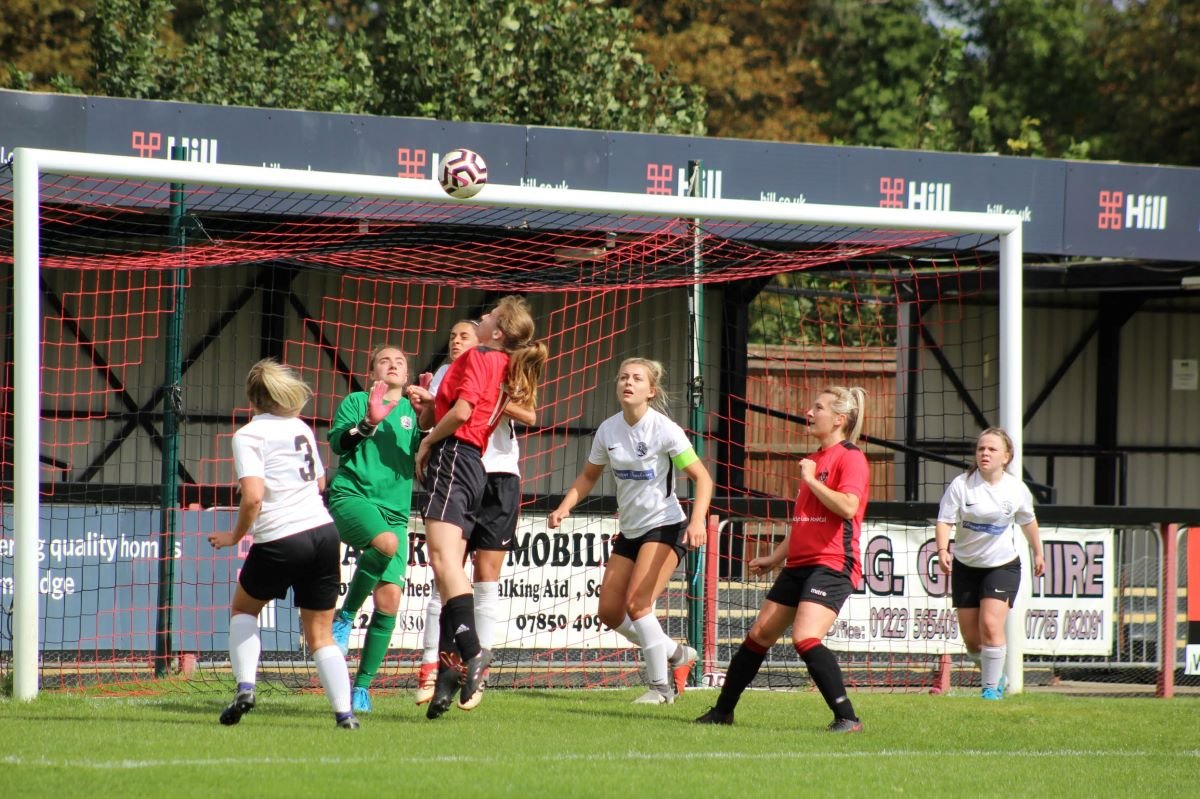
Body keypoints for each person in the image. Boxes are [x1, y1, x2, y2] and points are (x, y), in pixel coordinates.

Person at [405, 295, 548, 718]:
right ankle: (451, 670)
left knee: (445, 561)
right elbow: (457, 409)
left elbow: (466, 411)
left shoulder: (483, 357)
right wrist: (429, 410)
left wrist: (428, 441)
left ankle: (470, 652)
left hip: (455, 456)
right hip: (470, 462)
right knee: (448, 566)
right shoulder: (497, 362)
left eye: (485, 318)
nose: (477, 320)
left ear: (497, 331)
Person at [696, 386, 869, 732]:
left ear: (839, 419)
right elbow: (803, 520)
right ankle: (723, 712)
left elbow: (848, 507)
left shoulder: (850, 457)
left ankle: (847, 717)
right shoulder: (815, 459)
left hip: (833, 563)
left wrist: (810, 479)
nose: (809, 412)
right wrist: (776, 557)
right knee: (759, 634)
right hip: (799, 565)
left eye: (817, 407)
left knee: (804, 637)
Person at [549, 358, 709, 705]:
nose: (628, 382)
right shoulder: (608, 430)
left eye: (637, 378)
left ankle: (660, 688)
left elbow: (702, 478)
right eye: (623, 377)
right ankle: (678, 655)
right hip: (631, 532)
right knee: (609, 613)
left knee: (639, 605)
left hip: (666, 526)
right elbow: (589, 475)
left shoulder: (665, 430)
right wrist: (565, 507)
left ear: (651, 391)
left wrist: (697, 521)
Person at [208, 358, 358, 729]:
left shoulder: (247, 435)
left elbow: (254, 497)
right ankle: (345, 715)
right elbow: (320, 484)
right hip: (323, 534)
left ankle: (246, 687)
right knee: (320, 633)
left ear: (252, 399)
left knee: (244, 610)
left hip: (281, 537)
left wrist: (235, 536)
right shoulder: (301, 428)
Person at [326, 345, 421, 714]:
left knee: (390, 600)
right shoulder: (357, 400)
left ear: (408, 375)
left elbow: (428, 450)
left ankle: (361, 688)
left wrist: (430, 413)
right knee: (384, 542)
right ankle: (346, 616)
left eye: (400, 361)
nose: (393, 364)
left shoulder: (415, 411)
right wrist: (368, 422)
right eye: (385, 360)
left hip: (395, 512)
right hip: (352, 497)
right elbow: (338, 443)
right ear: (372, 373)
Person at [934, 426, 1044, 700]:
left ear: (1006, 457)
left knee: (991, 625)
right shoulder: (961, 485)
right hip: (966, 566)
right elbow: (945, 520)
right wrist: (942, 549)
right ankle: (995, 675)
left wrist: (1038, 552)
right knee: (972, 639)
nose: (985, 453)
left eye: (992, 449)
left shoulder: (1016, 489)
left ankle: (990, 690)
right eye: (981, 448)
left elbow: (1028, 521)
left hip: (1002, 566)